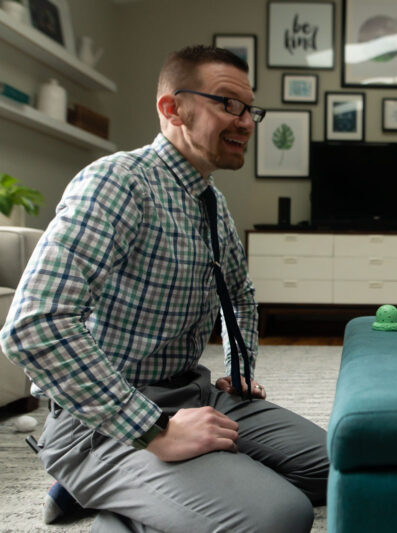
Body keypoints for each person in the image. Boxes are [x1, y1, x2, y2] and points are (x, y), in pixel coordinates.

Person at [0, 45, 328, 532]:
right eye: (227, 104)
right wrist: (152, 431)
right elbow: (33, 325)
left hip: (194, 395)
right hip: (100, 423)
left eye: (250, 109)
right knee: (279, 516)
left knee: (339, 466)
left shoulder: (210, 199)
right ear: (172, 108)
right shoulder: (118, 183)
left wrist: (240, 371)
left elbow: (239, 293)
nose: (245, 122)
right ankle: (108, 483)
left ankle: (141, 492)